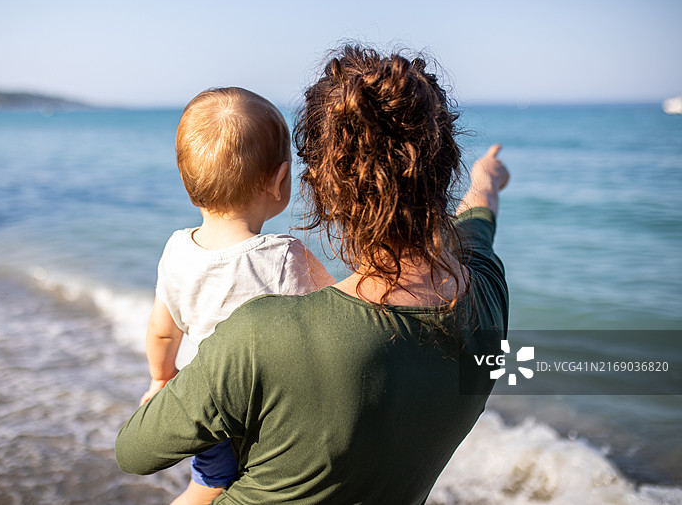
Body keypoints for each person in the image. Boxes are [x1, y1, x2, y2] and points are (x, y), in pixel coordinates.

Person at [117, 45, 510, 504]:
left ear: (322, 186)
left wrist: (161, 380)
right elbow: (477, 220)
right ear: (444, 168)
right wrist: (485, 179)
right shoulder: (487, 288)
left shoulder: (260, 336)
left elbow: (134, 452)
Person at [139, 86, 335, 505]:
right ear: (280, 180)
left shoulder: (176, 250)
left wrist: (161, 378)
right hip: (263, 412)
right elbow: (342, 316)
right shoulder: (284, 258)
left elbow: (161, 331)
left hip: (201, 404)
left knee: (209, 484)